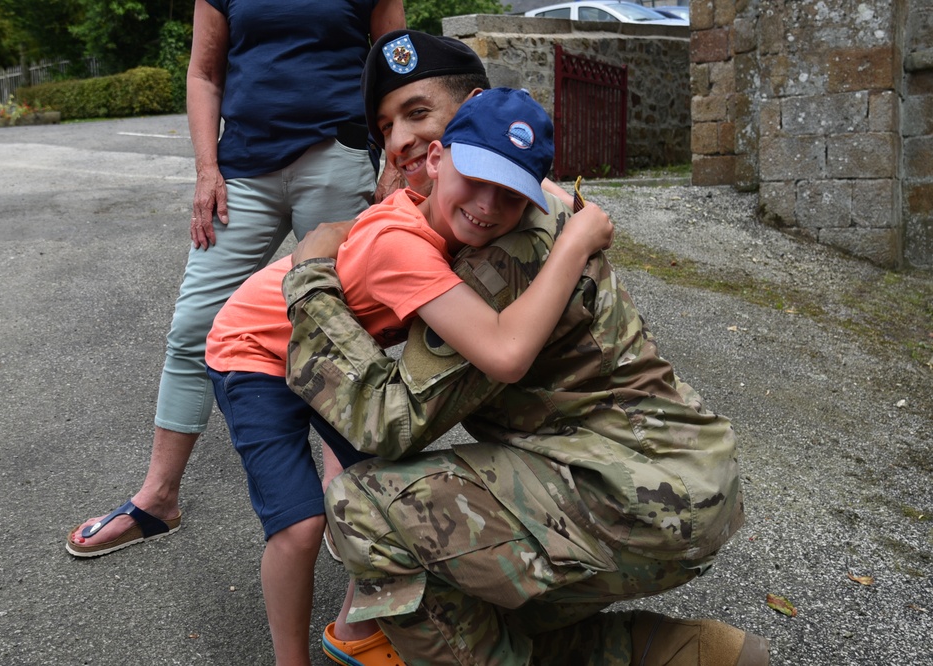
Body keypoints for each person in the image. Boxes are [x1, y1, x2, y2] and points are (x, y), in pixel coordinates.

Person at [280, 38, 768, 666]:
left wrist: (311, 280)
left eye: (417, 112)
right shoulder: (530, 213)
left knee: (362, 508)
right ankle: (671, 651)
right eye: (386, 125)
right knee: (452, 598)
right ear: (441, 160)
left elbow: (385, 422)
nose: (487, 207)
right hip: (662, 476)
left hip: (638, 492)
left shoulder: (503, 264)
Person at [205, 87, 612, 666]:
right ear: (438, 159)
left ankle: (352, 631)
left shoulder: (436, 194)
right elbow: (504, 354)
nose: (489, 208)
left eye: (510, 195)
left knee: (375, 492)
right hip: (256, 351)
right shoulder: (402, 248)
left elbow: (517, 184)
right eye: (477, 180)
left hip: (329, 354)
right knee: (299, 527)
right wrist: (577, 240)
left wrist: (548, 191)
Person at [65, 0, 405, 558]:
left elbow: (395, 62)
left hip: (338, 156)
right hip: (243, 168)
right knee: (194, 325)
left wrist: (392, 163)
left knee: (345, 331)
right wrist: (206, 170)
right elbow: (204, 73)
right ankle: (158, 498)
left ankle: (352, 501)